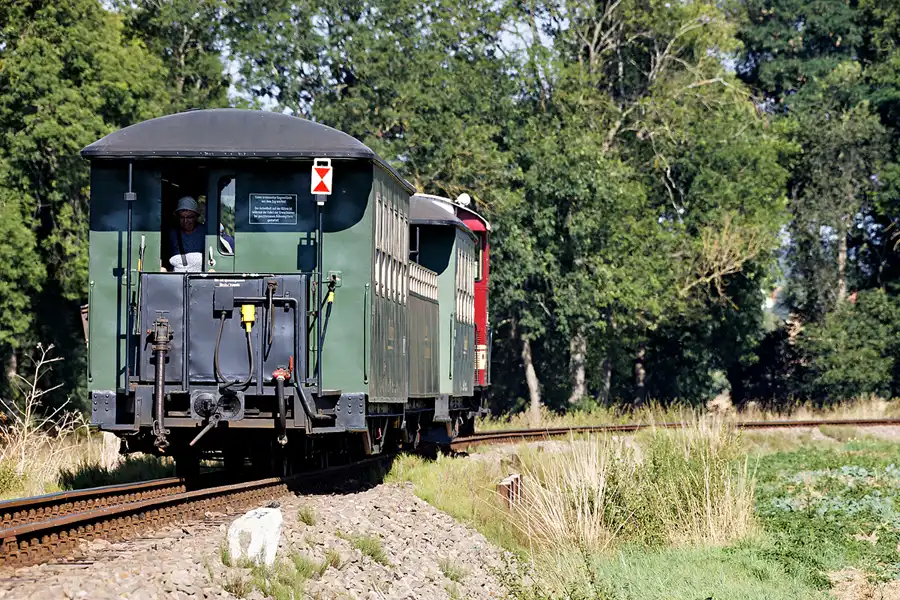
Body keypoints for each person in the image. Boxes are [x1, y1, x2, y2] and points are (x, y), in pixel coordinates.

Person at [168, 196, 205, 272]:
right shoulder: (173, 234)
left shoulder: (205, 232)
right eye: (182, 217)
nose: (185, 221)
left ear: (196, 217)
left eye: (189, 217)